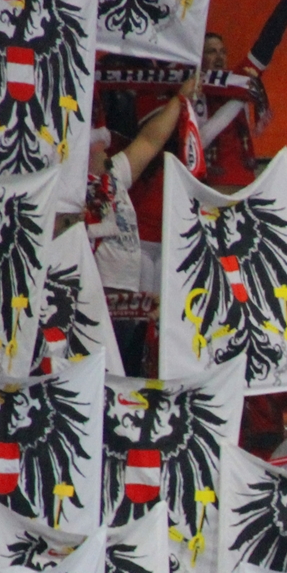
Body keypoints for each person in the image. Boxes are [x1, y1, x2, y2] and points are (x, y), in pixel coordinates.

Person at [87, 70, 201, 358]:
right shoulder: (73, 189)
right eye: (98, 145)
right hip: (98, 296)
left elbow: (150, 141)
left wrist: (179, 99)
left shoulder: (114, 174)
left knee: (130, 363)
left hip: (130, 296)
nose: (106, 147)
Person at [197, 0, 287, 191]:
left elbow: (268, 41)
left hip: (246, 183)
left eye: (222, 51)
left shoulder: (240, 79)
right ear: (199, 58)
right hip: (208, 184)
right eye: (211, 52)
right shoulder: (189, 86)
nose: (219, 57)